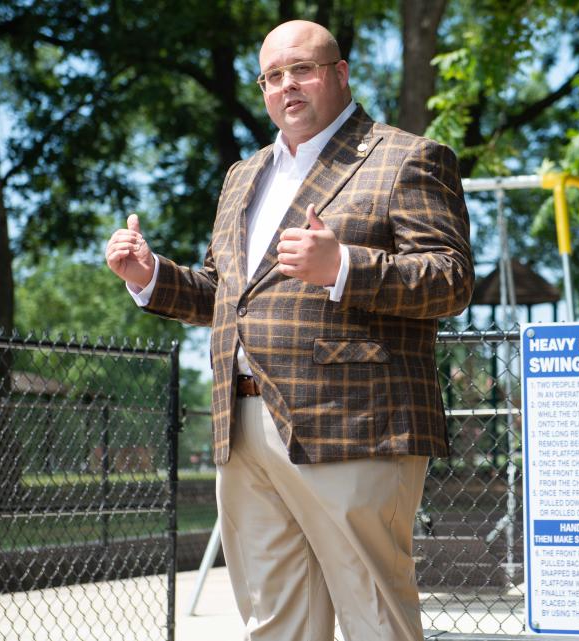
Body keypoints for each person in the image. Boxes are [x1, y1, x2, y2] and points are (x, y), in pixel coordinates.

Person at [105, 20, 473, 641]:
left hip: (354, 422)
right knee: (274, 622)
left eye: (300, 69)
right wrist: (150, 276)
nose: (286, 85)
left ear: (339, 73)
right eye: (272, 76)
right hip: (242, 426)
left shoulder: (407, 156)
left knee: (375, 618)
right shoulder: (243, 176)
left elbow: (451, 280)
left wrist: (345, 267)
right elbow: (228, 295)